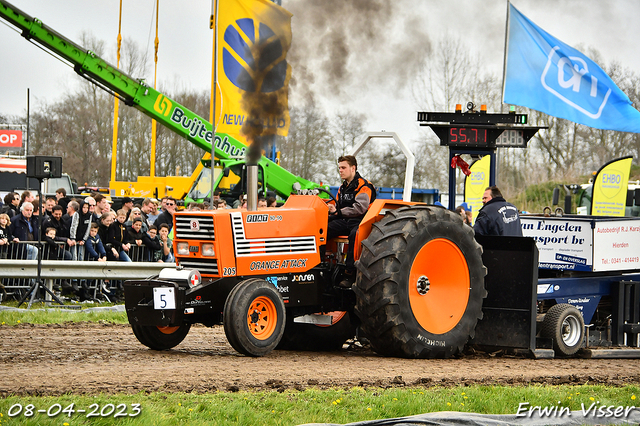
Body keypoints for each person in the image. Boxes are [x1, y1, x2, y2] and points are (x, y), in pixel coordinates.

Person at [326, 155, 376, 288]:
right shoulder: (342, 187)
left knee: (355, 235)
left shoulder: (364, 186)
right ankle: (322, 264)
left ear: (353, 168)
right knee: (324, 229)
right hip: (345, 220)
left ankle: (350, 274)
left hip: (360, 221)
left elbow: (360, 208)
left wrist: (338, 211)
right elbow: (337, 205)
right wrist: (332, 209)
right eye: (339, 168)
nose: (340, 170)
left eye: (343, 167)